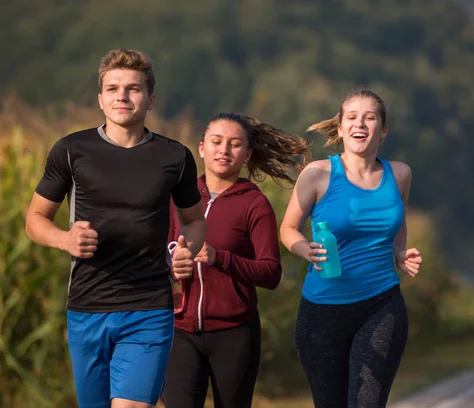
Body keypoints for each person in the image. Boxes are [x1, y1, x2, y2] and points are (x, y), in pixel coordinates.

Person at [25, 48, 206, 408]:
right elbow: (34, 220)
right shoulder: (72, 150)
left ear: (151, 99)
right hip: (87, 306)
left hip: (149, 306)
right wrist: (65, 239)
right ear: (100, 99)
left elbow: (194, 220)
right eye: (113, 88)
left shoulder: (174, 156)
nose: (122, 96)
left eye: (133, 88)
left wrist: (187, 250)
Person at [279, 89, 423, 408]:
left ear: (382, 131)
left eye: (370, 118)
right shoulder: (317, 174)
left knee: (366, 403)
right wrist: (305, 249)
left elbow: (397, 221)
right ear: (341, 128)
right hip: (322, 311)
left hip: (381, 303)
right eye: (352, 117)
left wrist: (400, 254)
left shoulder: (399, 174)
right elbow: (288, 229)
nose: (361, 123)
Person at [162, 112, 310, 408]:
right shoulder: (178, 197)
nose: (224, 150)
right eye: (216, 142)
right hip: (178, 330)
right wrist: (171, 261)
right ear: (202, 148)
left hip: (234, 333)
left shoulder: (255, 204)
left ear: (247, 155)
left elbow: (271, 273)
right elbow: (158, 249)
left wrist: (221, 258)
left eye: (234, 144)